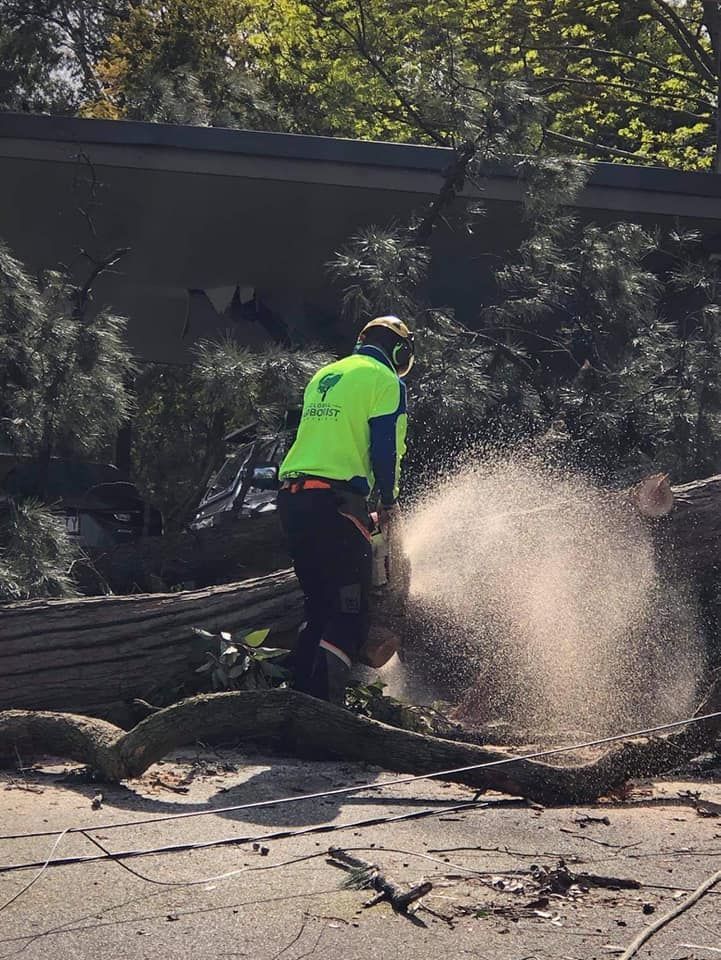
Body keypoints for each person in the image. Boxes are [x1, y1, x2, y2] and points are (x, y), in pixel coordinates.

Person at [278, 315, 414, 703]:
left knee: (319, 607)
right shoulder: (386, 381)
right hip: (335, 503)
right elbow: (386, 449)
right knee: (350, 612)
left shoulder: (325, 375)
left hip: (293, 499)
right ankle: (323, 715)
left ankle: (294, 707)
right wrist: (389, 501)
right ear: (399, 351)